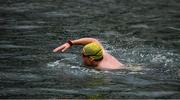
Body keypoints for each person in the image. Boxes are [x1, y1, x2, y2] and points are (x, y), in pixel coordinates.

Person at [53, 38, 124, 70]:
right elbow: (93, 40)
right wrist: (70, 43)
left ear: (91, 59)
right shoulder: (102, 52)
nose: (82, 57)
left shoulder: (106, 68)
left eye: (83, 55)